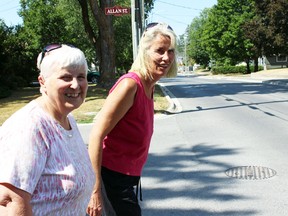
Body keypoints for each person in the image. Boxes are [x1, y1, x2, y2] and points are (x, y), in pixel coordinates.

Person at [87, 22, 178, 216]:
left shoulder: (149, 85)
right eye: (159, 50)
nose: (166, 57)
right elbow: (96, 135)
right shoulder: (130, 85)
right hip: (109, 178)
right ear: (145, 52)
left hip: (126, 178)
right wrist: (94, 190)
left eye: (170, 51)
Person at [0, 44, 95, 215]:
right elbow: (9, 201)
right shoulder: (30, 126)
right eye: (66, 77)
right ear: (42, 81)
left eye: (81, 77)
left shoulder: (67, 119)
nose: (75, 85)